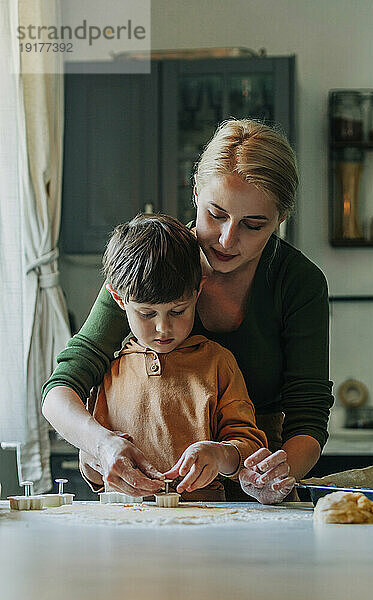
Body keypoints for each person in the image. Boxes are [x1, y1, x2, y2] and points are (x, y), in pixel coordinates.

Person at [42, 118, 333, 504]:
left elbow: (308, 416)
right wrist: (101, 444)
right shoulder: (153, 262)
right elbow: (60, 388)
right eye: (216, 214)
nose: (228, 239)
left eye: (253, 224)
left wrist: (274, 475)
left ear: (280, 219)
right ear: (195, 193)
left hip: (254, 486)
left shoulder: (299, 283)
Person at [43, 214, 268, 500]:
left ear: (198, 292)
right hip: (122, 528)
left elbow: (248, 448)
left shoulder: (218, 364)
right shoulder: (110, 372)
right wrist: (93, 459)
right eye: (147, 314)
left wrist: (219, 454)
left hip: (207, 528)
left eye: (178, 311)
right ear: (119, 299)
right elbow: (93, 467)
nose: (164, 328)